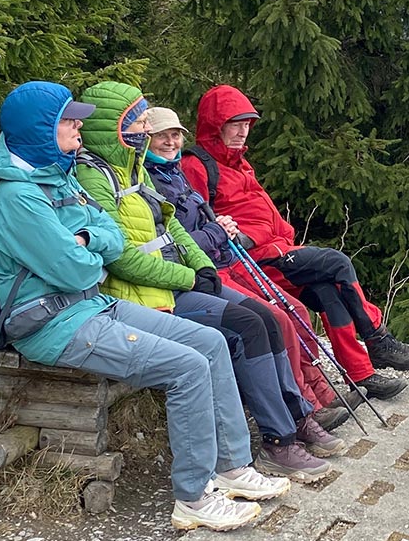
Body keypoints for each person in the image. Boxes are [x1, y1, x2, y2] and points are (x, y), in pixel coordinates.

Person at [0, 80, 290, 532]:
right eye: (68, 120)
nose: (78, 127)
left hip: (92, 305)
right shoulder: (17, 198)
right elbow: (79, 272)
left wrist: (85, 240)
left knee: (211, 343)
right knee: (186, 368)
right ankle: (193, 497)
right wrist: (89, 249)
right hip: (54, 324)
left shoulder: (56, 175)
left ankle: (232, 467)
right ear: (41, 130)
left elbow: (110, 235)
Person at [72, 81, 348, 483]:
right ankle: (279, 440)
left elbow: (173, 228)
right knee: (248, 326)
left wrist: (201, 267)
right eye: (139, 121)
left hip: (177, 280)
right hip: (148, 293)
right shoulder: (95, 177)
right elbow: (124, 258)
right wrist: (191, 276)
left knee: (268, 318)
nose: (147, 128)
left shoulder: (133, 167)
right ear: (115, 125)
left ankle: (297, 417)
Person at [184, 85, 409, 401]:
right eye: (234, 124)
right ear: (214, 125)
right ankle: (377, 338)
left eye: (247, 124)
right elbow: (198, 220)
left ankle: (362, 375)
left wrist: (280, 234)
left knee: (327, 291)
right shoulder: (197, 165)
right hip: (251, 259)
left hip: (277, 249)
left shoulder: (239, 163)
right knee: (336, 263)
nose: (243, 132)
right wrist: (249, 237)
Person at [140, 107, 346, 426]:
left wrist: (220, 226)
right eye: (161, 136)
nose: (170, 142)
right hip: (205, 269)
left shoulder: (175, 172)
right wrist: (216, 231)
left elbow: (198, 222)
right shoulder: (154, 180)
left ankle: (321, 395)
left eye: (175, 135)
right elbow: (176, 243)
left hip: (225, 257)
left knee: (295, 310)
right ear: (145, 140)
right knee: (277, 318)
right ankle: (304, 406)